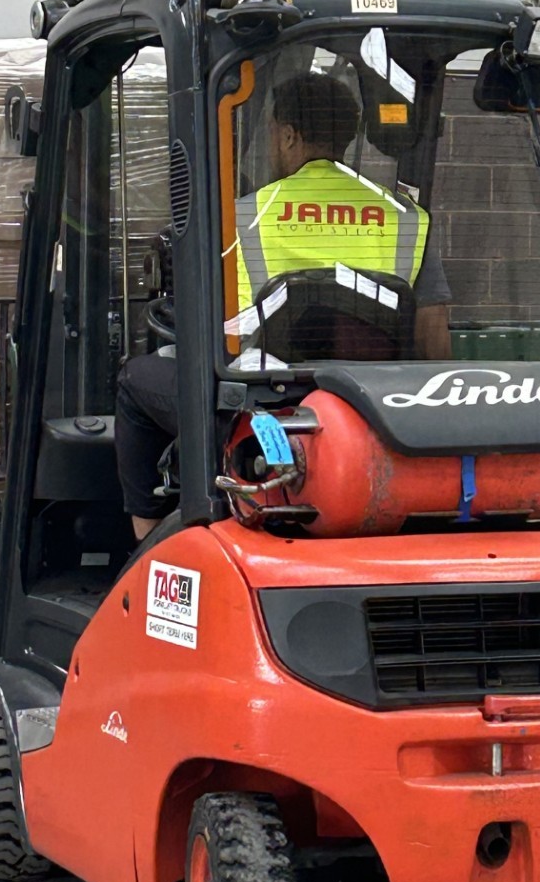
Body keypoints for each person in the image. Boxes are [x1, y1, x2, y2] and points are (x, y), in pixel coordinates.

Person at [115, 72, 450, 538]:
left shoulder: (243, 218)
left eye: (271, 130)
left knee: (136, 380)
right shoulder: (407, 221)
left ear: (288, 135)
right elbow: (435, 346)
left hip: (269, 419)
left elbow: (219, 339)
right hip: (381, 414)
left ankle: (147, 540)